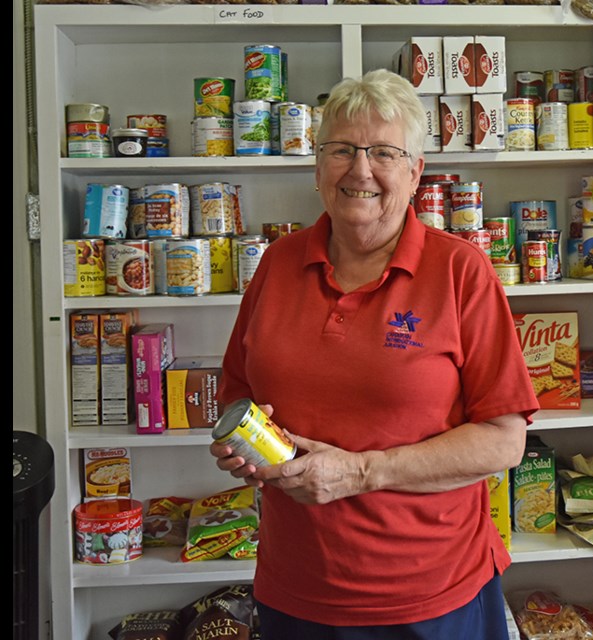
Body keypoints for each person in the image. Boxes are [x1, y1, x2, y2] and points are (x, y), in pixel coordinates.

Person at [209, 68, 539, 639]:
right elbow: (238, 392)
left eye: (384, 152)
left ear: (415, 174)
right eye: (342, 150)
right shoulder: (277, 264)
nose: (360, 170)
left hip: (432, 597)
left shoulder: (461, 269)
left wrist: (361, 472)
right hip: (296, 589)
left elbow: (505, 440)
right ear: (317, 168)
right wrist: (243, 450)